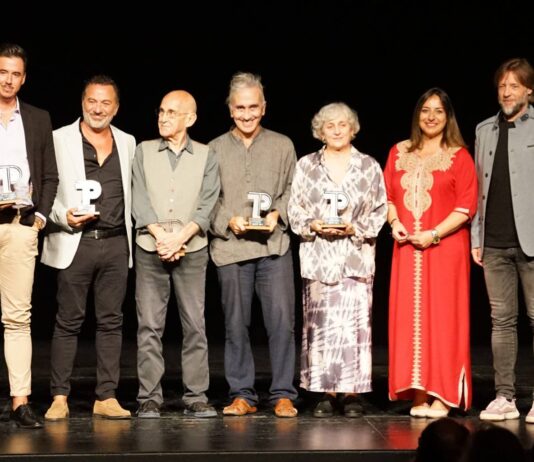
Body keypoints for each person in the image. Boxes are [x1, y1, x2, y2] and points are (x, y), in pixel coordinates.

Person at [41, 75, 135, 420]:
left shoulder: (128, 142)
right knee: (68, 321)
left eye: (105, 103)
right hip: (74, 242)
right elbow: (45, 189)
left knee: (111, 321)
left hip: (114, 243)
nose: (98, 108)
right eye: (92, 101)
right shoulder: (58, 139)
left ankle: (106, 396)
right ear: (82, 102)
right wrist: (62, 216)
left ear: (116, 107)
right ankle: (59, 397)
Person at [288, 102, 387, 418]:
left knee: (354, 327)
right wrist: (312, 224)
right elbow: (295, 209)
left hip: (355, 259)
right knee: (320, 328)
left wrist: (355, 228)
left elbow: (380, 209)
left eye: (342, 124)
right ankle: (324, 393)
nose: (336, 130)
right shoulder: (306, 165)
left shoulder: (369, 165)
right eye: (329, 125)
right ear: (320, 130)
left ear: (353, 128)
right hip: (319, 258)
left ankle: (352, 392)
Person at [209, 72, 298, 418]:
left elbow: (294, 188)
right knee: (234, 324)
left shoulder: (282, 145)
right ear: (231, 110)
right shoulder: (214, 149)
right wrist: (226, 220)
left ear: (264, 108)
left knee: (281, 322)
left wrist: (279, 213)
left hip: (273, 247)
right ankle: (242, 393)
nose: (247, 114)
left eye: (253, 107)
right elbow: (207, 200)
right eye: (240, 108)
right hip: (231, 249)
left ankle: (283, 393)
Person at [385, 87, 477, 418]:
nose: (431, 116)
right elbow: (389, 197)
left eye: (438, 111)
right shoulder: (398, 152)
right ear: (417, 115)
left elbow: (467, 205)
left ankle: (445, 395)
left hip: (445, 250)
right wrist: (394, 222)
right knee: (410, 319)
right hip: (407, 250)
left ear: (448, 116)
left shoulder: (459, 156)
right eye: (425, 110)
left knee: (444, 319)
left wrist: (434, 234)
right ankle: (419, 392)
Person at [132, 90, 219, 418]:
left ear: (190, 119)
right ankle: (149, 398)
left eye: (171, 112)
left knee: (194, 324)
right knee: (149, 325)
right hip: (150, 248)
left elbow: (207, 201)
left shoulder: (207, 155)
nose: (163, 117)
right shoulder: (144, 151)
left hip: (192, 248)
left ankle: (196, 395)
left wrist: (181, 236)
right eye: (161, 110)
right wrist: (160, 236)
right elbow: (139, 197)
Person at [471, 58, 534, 423]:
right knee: (502, 321)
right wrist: (476, 235)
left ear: (528, 89)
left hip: (530, 242)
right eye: (502, 86)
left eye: (514, 85)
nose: (507, 91)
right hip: (493, 241)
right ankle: (504, 397)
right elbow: (477, 189)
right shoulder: (484, 130)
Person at [0, 43, 58, 428]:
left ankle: (21, 401)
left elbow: (49, 175)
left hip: (19, 226)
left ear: (24, 77)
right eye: (2, 71)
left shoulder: (37, 118)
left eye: (15, 73)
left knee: (18, 318)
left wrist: (38, 219)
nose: (8, 79)